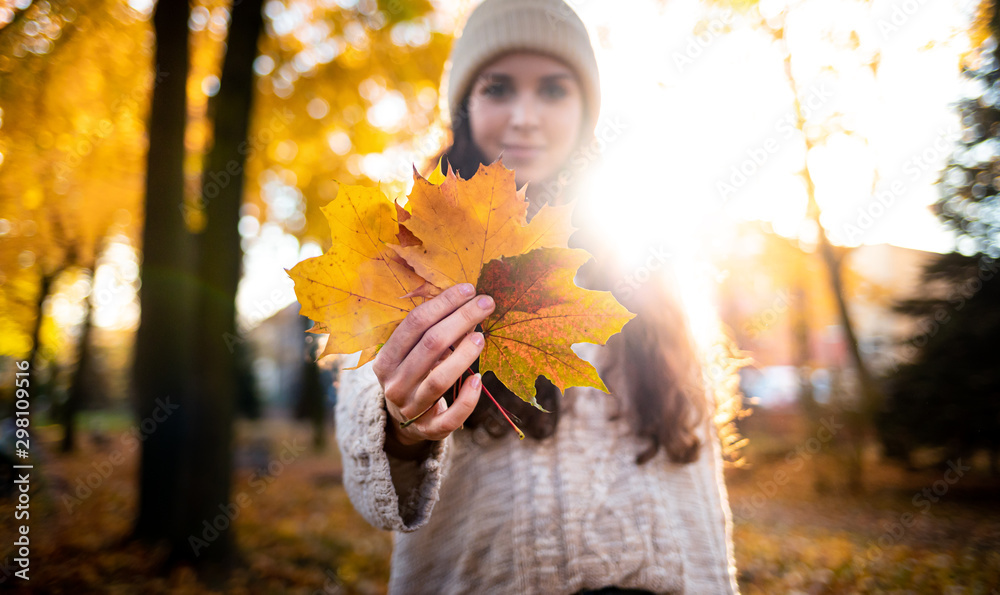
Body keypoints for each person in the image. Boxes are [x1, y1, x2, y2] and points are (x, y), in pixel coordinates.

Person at [334, 0, 741, 593]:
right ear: (464, 107)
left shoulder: (649, 260)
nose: (525, 117)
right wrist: (398, 423)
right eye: (499, 88)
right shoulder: (407, 252)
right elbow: (367, 445)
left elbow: (699, 487)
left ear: (586, 112)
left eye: (553, 90)